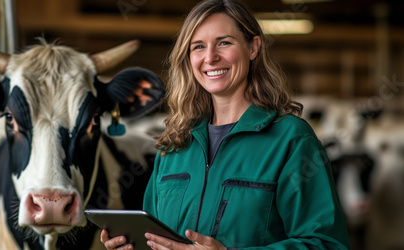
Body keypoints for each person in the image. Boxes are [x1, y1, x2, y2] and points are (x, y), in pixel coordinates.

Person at [101, 0, 351, 249]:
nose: (210, 57)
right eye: (198, 47)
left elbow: (326, 244)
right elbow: (153, 238)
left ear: (253, 48)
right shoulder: (174, 144)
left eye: (224, 43)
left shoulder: (291, 140)